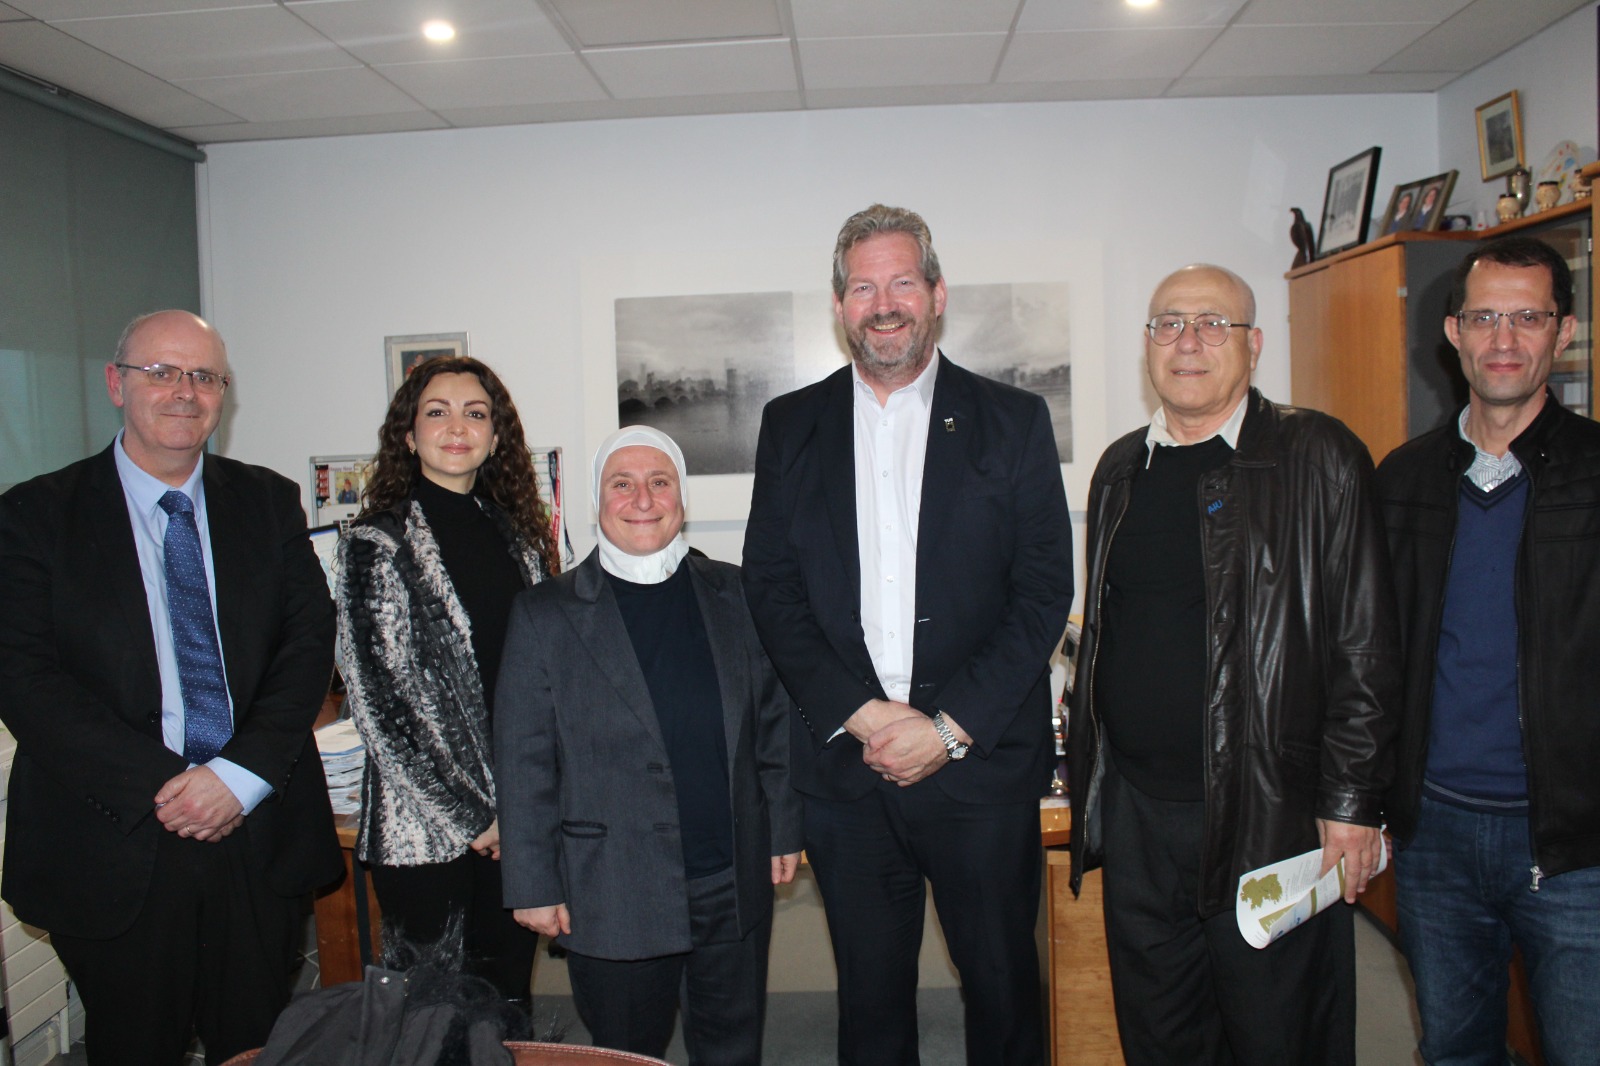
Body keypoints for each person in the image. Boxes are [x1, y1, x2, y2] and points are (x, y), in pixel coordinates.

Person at [742, 204, 1074, 1066]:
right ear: (838, 305)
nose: (882, 304)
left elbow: (1043, 594)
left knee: (1002, 991)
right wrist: (861, 714)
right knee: (870, 1002)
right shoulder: (791, 425)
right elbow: (772, 590)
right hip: (847, 777)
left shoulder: (1012, 419)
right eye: (863, 287)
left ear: (936, 294)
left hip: (980, 771)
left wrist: (947, 729)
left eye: (900, 283)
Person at [1066, 265, 1400, 1066]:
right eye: (1169, 323)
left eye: (1212, 324)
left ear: (1254, 346)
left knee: (1280, 1036)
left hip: (1270, 815)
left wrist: (1351, 801)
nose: (1188, 341)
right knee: (1161, 1035)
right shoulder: (1120, 469)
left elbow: (1366, 641)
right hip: (1140, 818)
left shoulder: (1319, 456)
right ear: (1147, 344)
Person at [0, 310, 342, 1065]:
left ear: (223, 393)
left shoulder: (269, 501)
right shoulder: (34, 513)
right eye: (161, 372)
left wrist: (235, 777)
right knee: (132, 1045)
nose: (184, 391)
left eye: (204, 376)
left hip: (254, 825)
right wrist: (171, 786)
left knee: (256, 1043)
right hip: (112, 832)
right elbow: (23, 676)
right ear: (115, 383)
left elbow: (307, 644)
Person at [496, 425, 803, 1064]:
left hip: (729, 875)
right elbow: (524, 760)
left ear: (681, 497)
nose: (643, 499)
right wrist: (532, 882)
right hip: (613, 886)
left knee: (732, 1048)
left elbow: (774, 722)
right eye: (623, 483)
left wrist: (783, 828)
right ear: (598, 500)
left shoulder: (737, 594)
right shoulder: (543, 614)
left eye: (659, 482)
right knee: (627, 1053)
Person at [1376, 236, 1600, 1065]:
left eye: (1528, 318)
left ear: (1563, 331)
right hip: (1434, 836)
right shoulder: (1402, 480)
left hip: (1575, 844)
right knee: (1456, 1052)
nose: (1504, 339)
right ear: (1454, 332)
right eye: (1484, 318)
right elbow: (1374, 654)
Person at [336, 356, 559, 1010]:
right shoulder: (377, 541)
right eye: (437, 412)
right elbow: (381, 704)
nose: (457, 427)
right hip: (424, 829)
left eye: (475, 413)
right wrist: (474, 815)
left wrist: (526, 804)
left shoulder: (519, 538)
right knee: (434, 1015)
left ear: (496, 435)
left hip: (516, 815)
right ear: (408, 435)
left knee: (505, 996)